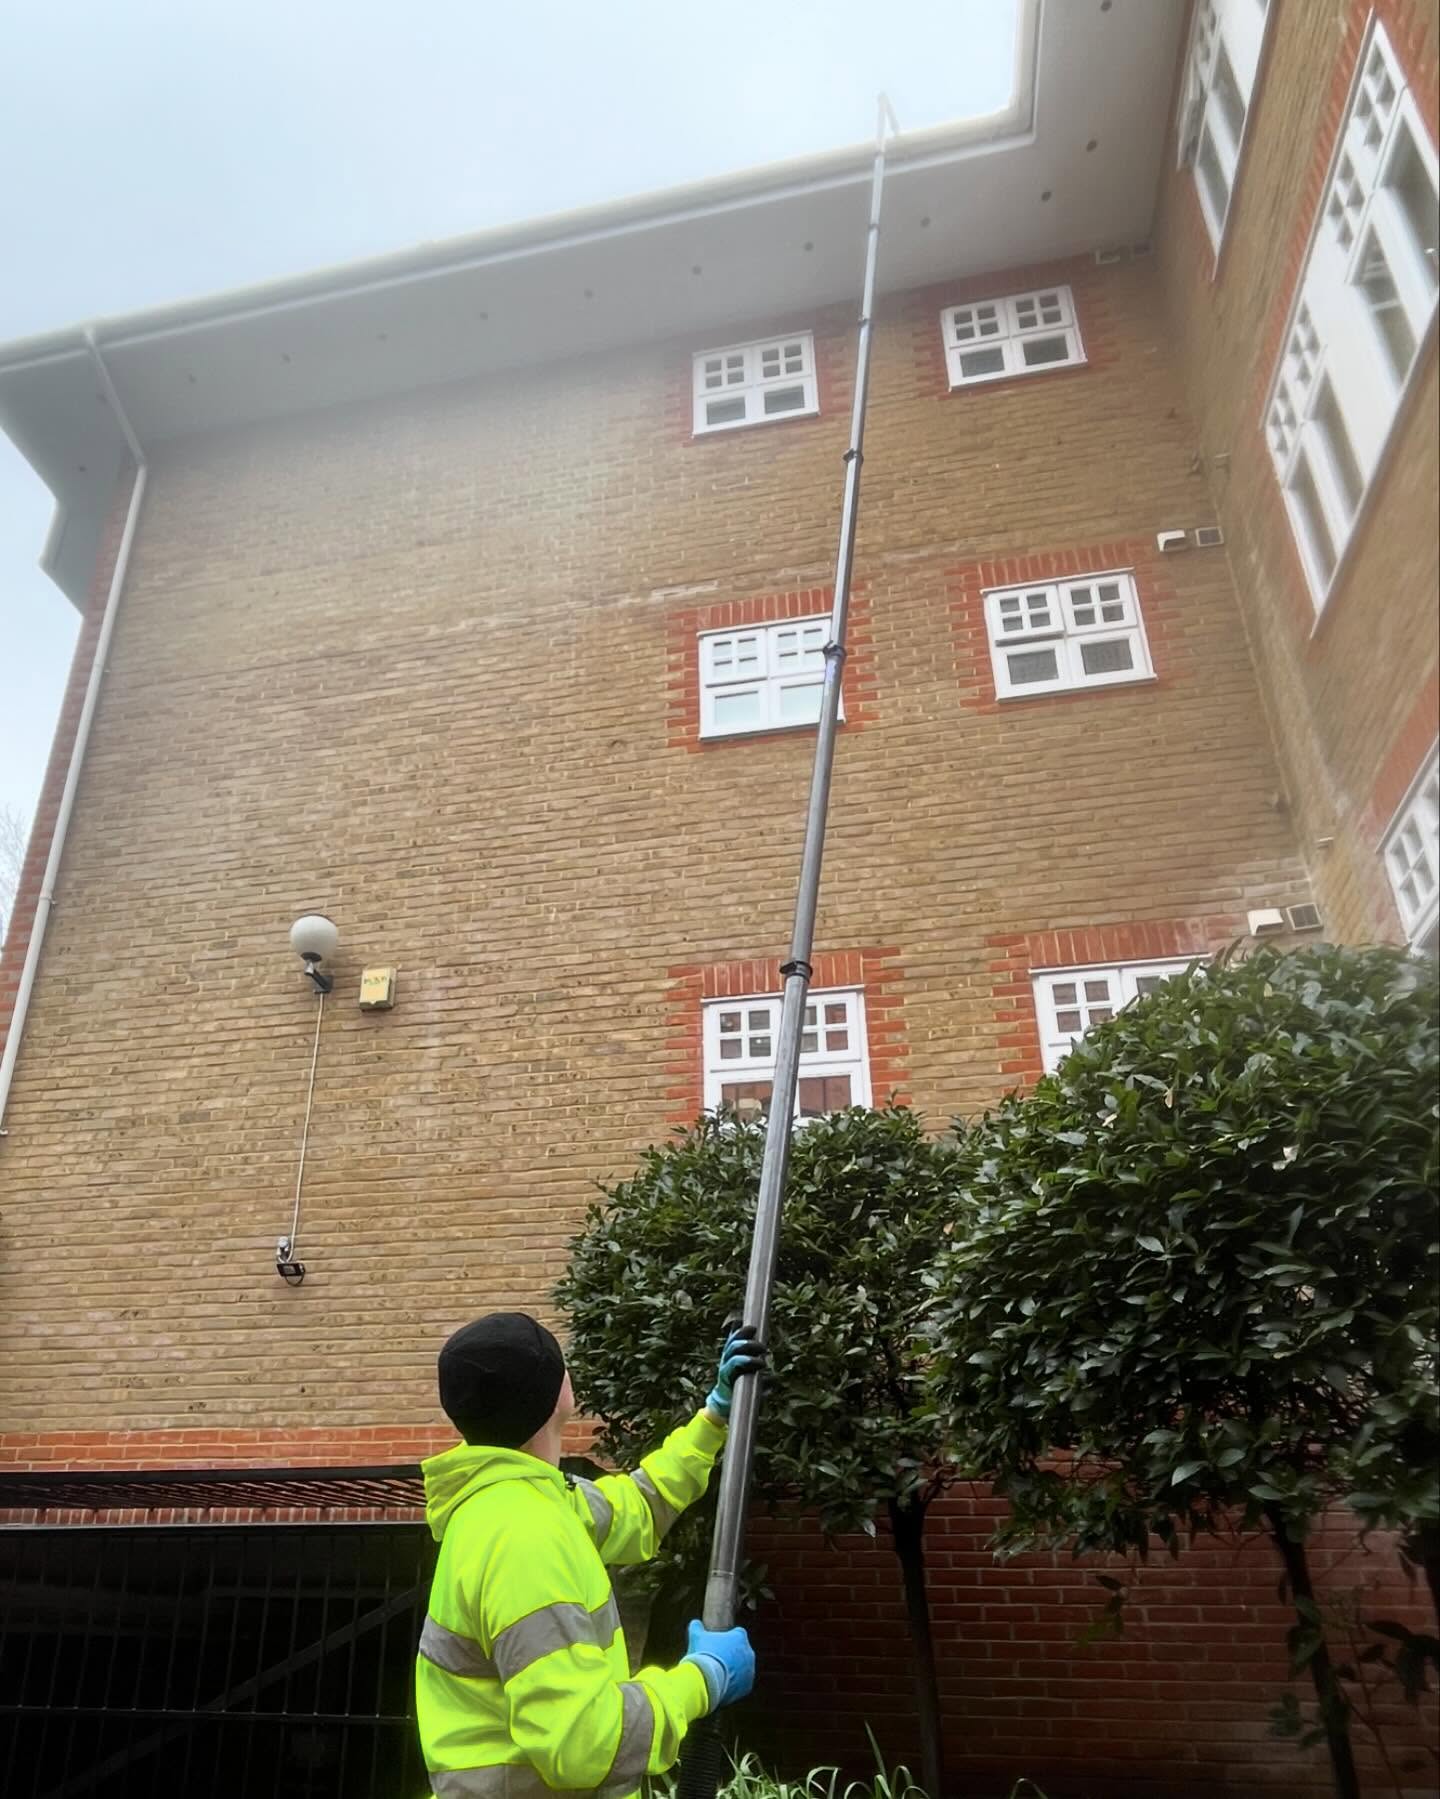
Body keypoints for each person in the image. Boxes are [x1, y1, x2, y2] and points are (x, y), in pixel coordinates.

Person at [416, 1311, 763, 1795]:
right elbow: (585, 1745)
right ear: (558, 1393)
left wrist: (714, 1415)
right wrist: (703, 1680)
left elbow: (641, 1504)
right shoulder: (523, 1535)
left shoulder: (529, 1500)